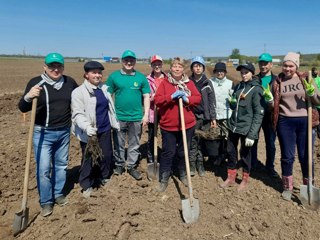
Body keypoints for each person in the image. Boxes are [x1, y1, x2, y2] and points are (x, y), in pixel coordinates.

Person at [18, 53, 78, 217]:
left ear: (63, 67)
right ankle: (46, 202)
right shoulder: (36, 83)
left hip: (64, 132)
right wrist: (28, 97)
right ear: (45, 67)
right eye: (52, 66)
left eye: (59, 66)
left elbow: (79, 99)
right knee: (44, 169)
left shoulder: (69, 82)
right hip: (43, 133)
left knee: (61, 166)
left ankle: (58, 193)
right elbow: (22, 107)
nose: (55, 69)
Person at [264, 52, 320, 201]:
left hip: (305, 122)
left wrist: (312, 93)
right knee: (287, 157)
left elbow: (318, 100)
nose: (287, 68)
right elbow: (272, 107)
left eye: (291, 66)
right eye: (285, 65)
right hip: (285, 122)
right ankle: (287, 187)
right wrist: (269, 100)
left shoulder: (306, 78)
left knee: (305, 156)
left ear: (296, 66)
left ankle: (308, 185)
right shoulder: (278, 81)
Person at [71, 61, 119, 198]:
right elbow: (77, 114)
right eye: (94, 73)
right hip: (89, 131)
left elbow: (109, 108)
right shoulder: (78, 92)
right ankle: (86, 184)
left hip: (104, 128)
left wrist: (113, 123)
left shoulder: (104, 88)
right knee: (89, 158)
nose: (97, 75)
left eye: (99, 72)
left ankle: (103, 176)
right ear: (86, 75)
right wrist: (86, 127)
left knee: (107, 155)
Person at [154, 57, 201, 192]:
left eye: (180, 67)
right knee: (168, 153)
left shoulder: (189, 83)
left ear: (183, 69)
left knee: (182, 152)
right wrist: (171, 97)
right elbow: (157, 100)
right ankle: (164, 177)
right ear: (171, 68)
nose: (177, 69)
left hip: (187, 125)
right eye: (175, 66)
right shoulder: (165, 83)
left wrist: (187, 99)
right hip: (169, 126)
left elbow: (197, 98)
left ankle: (182, 174)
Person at [106, 50, 150, 180]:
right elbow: (107, 95)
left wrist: (146, 114)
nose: (129, 63)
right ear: (122, 61)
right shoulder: (114, 77)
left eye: (131, 60)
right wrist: (110, 114)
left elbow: (146, 96)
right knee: (118, 143)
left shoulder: (141, 77)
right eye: (126, 60)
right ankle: (119, 164)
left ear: (135, 62)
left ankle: (131, 166)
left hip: (136, 117)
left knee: (134, 143)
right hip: (119, 117)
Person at [220, 63, 264, 191]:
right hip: (233, 126)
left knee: (245, 155)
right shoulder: (239, 86)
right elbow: (235, 107)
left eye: (246, 72)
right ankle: (231, 177)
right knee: (231, 151)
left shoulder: (257, 90)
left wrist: (252, 134)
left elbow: (258, 114)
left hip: (246, 128)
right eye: (242, 73)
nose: (243, 75)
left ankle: (244, 179)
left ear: (252, 73)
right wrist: (232, 103)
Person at [251, 53, 279, 177]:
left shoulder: (277, 80)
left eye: (265, 63)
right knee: (253, 140)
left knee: (271, 142)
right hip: (255, 114)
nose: (263, 66)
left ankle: (270, 166)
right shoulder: (254, 79)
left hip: (270, 115)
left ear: (271, 64)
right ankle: (253, 164)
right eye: (261, 63)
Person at [189, 56, 216, 177]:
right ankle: (192, 165)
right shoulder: (188, 82)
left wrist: (213, 118)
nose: (198, 68)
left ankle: (200, 164)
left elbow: (212, 102)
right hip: (191, 117)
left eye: (200, 66)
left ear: (203, 68)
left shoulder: (207, 83)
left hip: (204, 117)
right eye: (195, 65)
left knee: (202, 142)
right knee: (192, 141)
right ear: (192, 68)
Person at [209, 62, 233, 166]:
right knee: (215, 137)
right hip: (214, 115)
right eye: (217, 71)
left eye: (222, 71)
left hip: (227, 115)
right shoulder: (210, 82)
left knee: (227, 138)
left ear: (225, 72)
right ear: (214, 72)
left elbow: (233, 99)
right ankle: (215, 157)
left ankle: (226, 156)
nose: (220, 73)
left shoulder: (231, 83)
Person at [146, 55, 167, 164]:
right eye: (154, 64)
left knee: (166, 136)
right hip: (152, 111)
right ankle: (151, 158)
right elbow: (144, 95)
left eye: (159, 64)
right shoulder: (147, 79)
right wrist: (152, 97)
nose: (157, 66)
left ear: (161, 65)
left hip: (165, 112)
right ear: (151, 65)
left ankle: (164, 158)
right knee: (151, 136)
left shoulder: (168, 78)